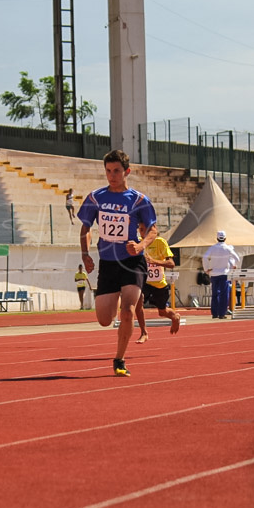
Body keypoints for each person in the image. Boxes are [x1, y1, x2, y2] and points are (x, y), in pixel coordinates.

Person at [77, 150, 158, 377]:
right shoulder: (96, 198)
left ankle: (119, 359)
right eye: (108, 171)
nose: (112, 175)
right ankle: (119, 303)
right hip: (108, 263)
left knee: (128, 311)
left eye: (117, 171)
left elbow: (153, 229)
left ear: (126, 172)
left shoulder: (139, 200)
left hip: (132, 262)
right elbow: (85, 228)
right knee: (104, 319)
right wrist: (85, 254)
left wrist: (141, 246)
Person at [133, 222, 181, 343]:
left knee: (162, 312)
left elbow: (171, 264)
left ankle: (175, 317)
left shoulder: (160, 242)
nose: (141, 232)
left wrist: (154, 261)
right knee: (139, 303)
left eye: (144, 230)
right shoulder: (138, 242)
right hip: (144, 282)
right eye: (140, 229)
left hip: (159, 283)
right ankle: (144, 332)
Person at [202, 230, 240, 319]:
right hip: (224, 274)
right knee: (224, 294)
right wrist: (233, 265)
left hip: (214, 274)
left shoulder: (212, 248)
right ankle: (222, 313)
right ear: (225, 238)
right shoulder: (228, 248)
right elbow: (237, 258)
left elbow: (204, 257)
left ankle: (214, 313)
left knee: (215, 294)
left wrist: (206, 269)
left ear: (217, 238)